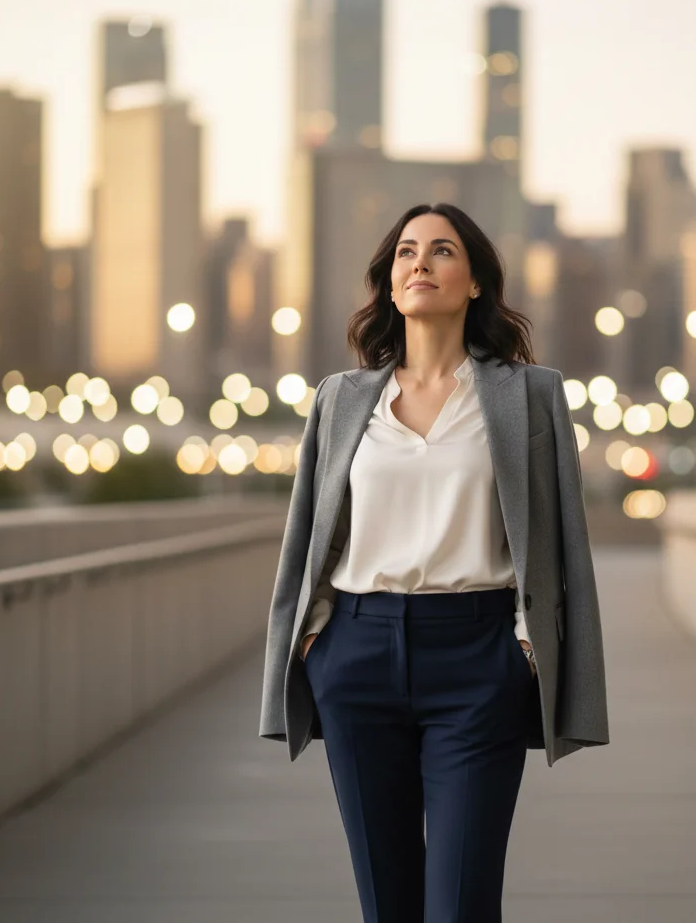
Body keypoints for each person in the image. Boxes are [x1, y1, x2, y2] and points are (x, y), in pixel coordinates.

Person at [259, 202, 609, 922]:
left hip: (479, 661)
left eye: (442, 250)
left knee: (461, 904)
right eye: (406, 253)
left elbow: (560, 539)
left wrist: (525, 645)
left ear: (475, 281)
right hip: (356, 654)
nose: (421, 263)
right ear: (390, 284)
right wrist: (318, 636)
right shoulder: (342, 399)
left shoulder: (529, 395)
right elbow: (311, 536)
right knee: (388, 906)